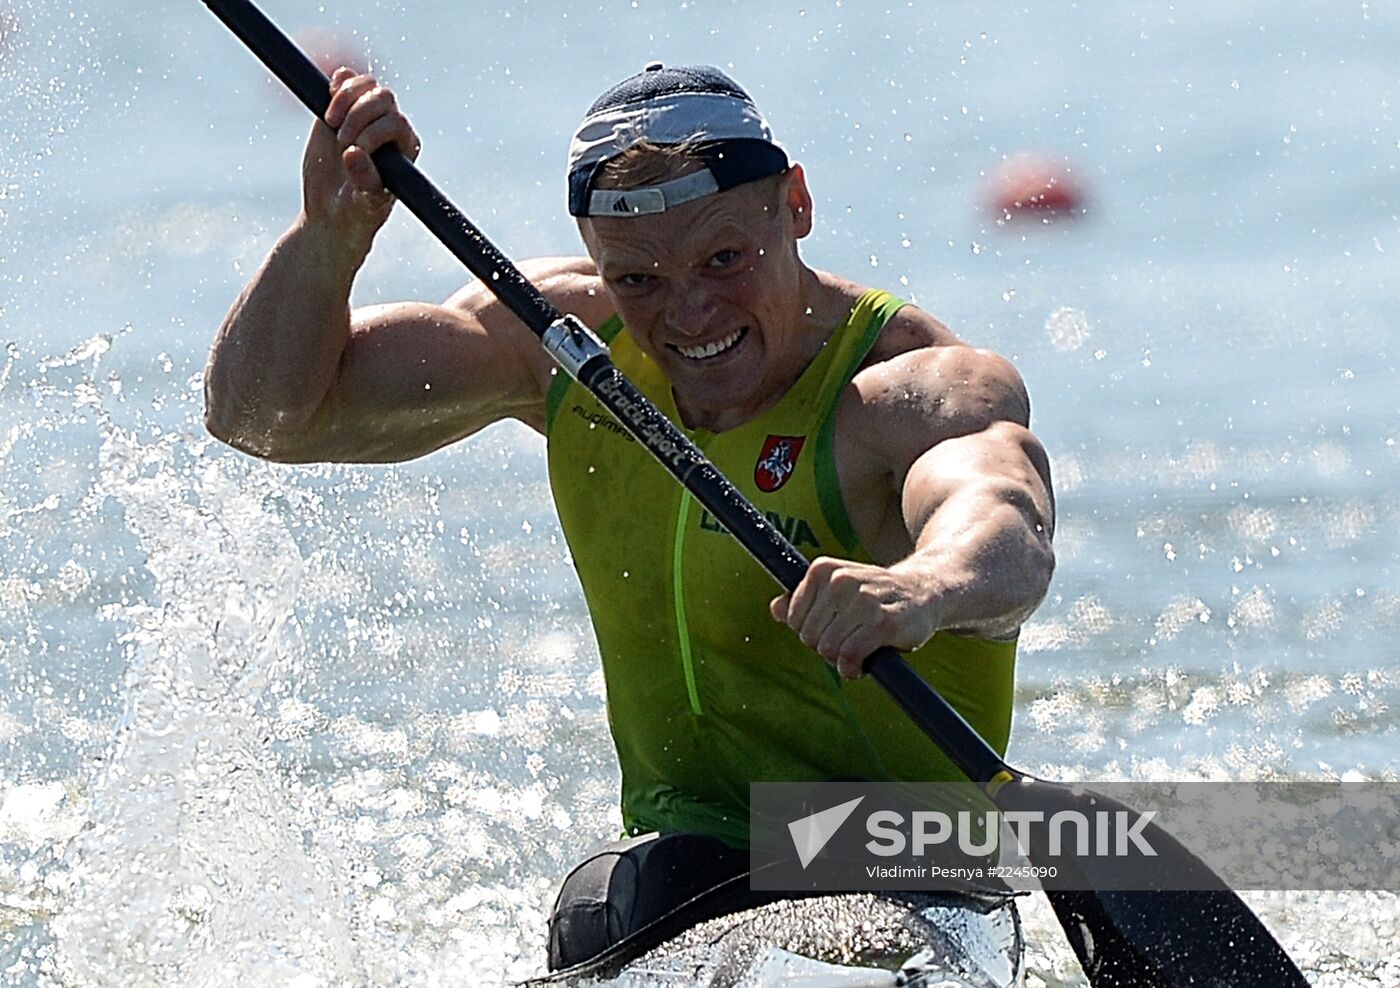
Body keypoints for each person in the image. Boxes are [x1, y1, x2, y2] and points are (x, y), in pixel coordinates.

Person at [204, 62, 1056, 971]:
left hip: (907, 855)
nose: (688, 313)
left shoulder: (906, 384)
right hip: (690, 866)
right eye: (639, 279)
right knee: (610, 901)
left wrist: (917, 588)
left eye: (723, 261)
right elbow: (262, 418)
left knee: (763, 950)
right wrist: (328, 238)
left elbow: (1006, 523)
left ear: (794, 205)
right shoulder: (563, 346)